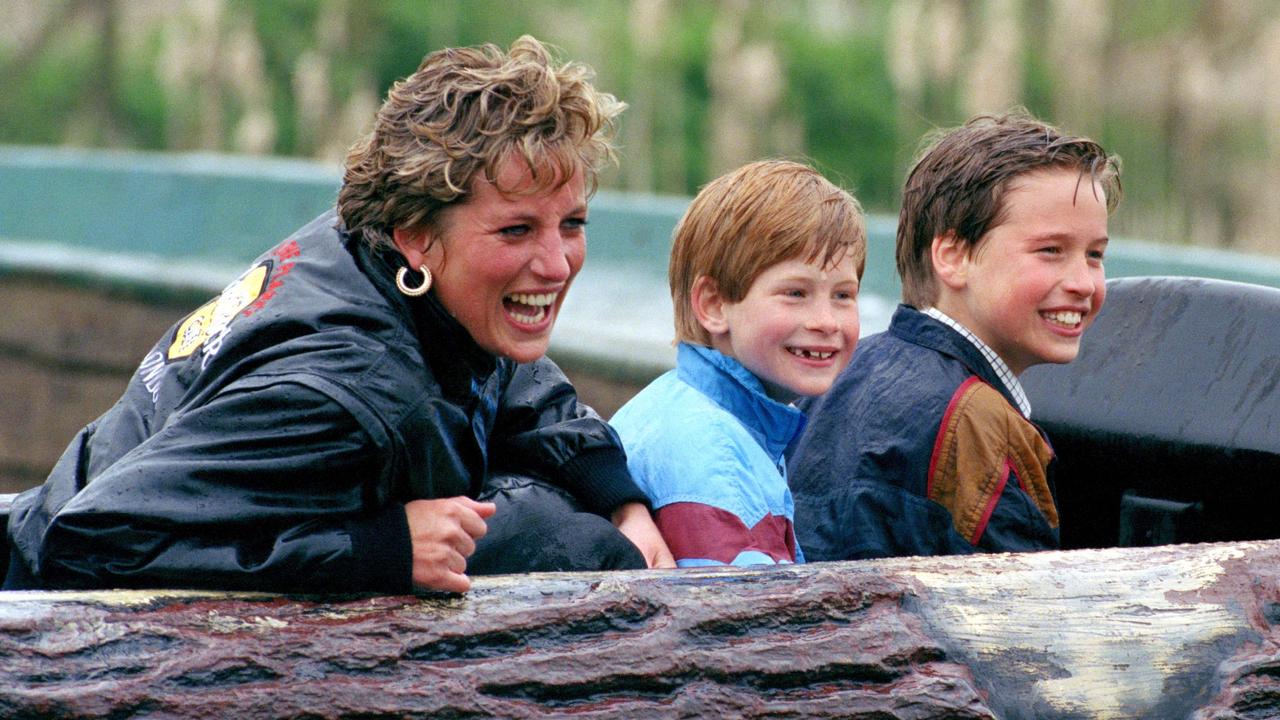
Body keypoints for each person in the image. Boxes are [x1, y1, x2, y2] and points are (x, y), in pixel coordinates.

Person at [5, 36, 673, 593]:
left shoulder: (383, 260)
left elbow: (511, 376)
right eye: (516, 232)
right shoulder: (347, 389)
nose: (556, 264)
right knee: (573, 548)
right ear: (416, 234)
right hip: (47, 619)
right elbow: (89, 539)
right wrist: (378, 550)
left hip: (65, 511)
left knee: (570, 523)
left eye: (573, 223)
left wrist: (621, 498)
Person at [788, 111, 1121, 561]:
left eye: (1095, 254)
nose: (1084, 282)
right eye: (1050, 251)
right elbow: (1024, 616)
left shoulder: (838, 375)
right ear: (953, 256)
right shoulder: (983, 427)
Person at [610, 160, 865, 567]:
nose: (826, 321)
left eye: (843, 295)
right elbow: (745, 624)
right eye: (796, 293)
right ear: (714, 306)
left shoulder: (687, 406)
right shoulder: (716, 464)